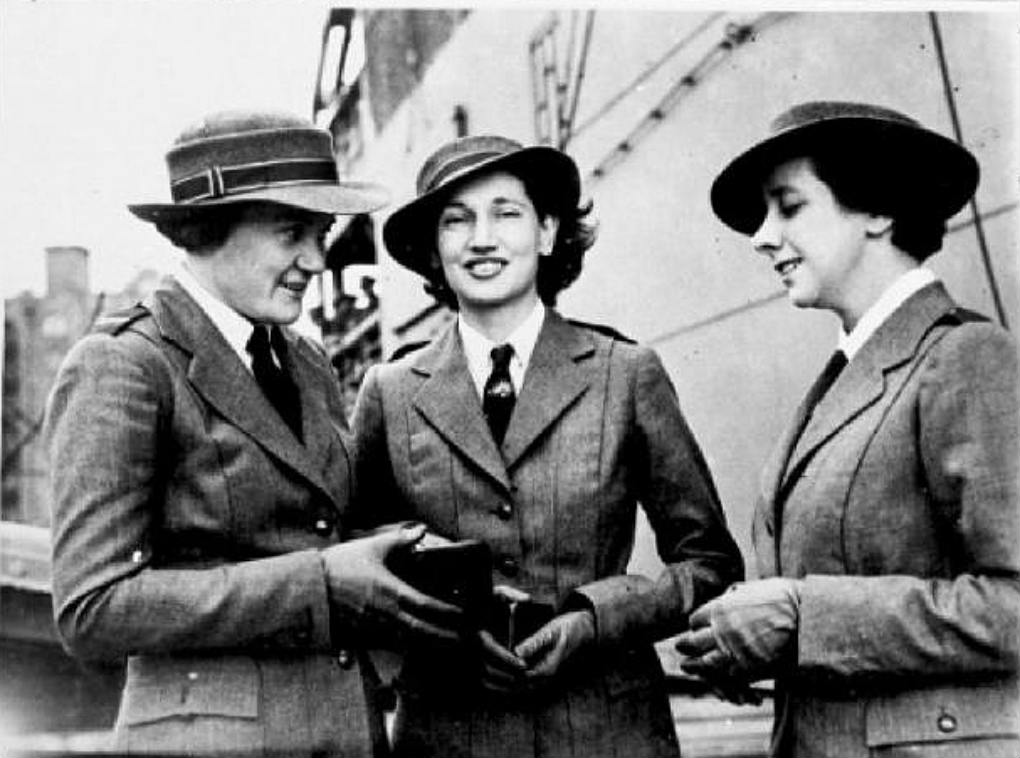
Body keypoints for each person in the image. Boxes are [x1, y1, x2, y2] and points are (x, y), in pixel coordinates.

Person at [44, 110, 465, 756]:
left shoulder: (306, 362)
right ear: (210, 228)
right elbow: (92, 608)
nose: (317, 260)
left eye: (322, 233)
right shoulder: (124, 364)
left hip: (347, 732)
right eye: (292, 232)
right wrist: (320, 582)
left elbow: (313, 530)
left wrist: (405, 555)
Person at [350, 134, 744, 757]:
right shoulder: (388, 391)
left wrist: (597, 621)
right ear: (433, 249)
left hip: (608, 733)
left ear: (547, 231)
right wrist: (442, 637)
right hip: (448, 733)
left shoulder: (626, 372)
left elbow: (710, 564)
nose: (482, 238)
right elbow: (359, 564)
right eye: (456, 221)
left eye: (506, 213)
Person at [675, 101, 1020, 757]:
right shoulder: (849, 375)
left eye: (789, 206)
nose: (762, 236)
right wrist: (753, 642)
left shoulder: (966, 358)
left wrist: (802, 619)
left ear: (879, 211)